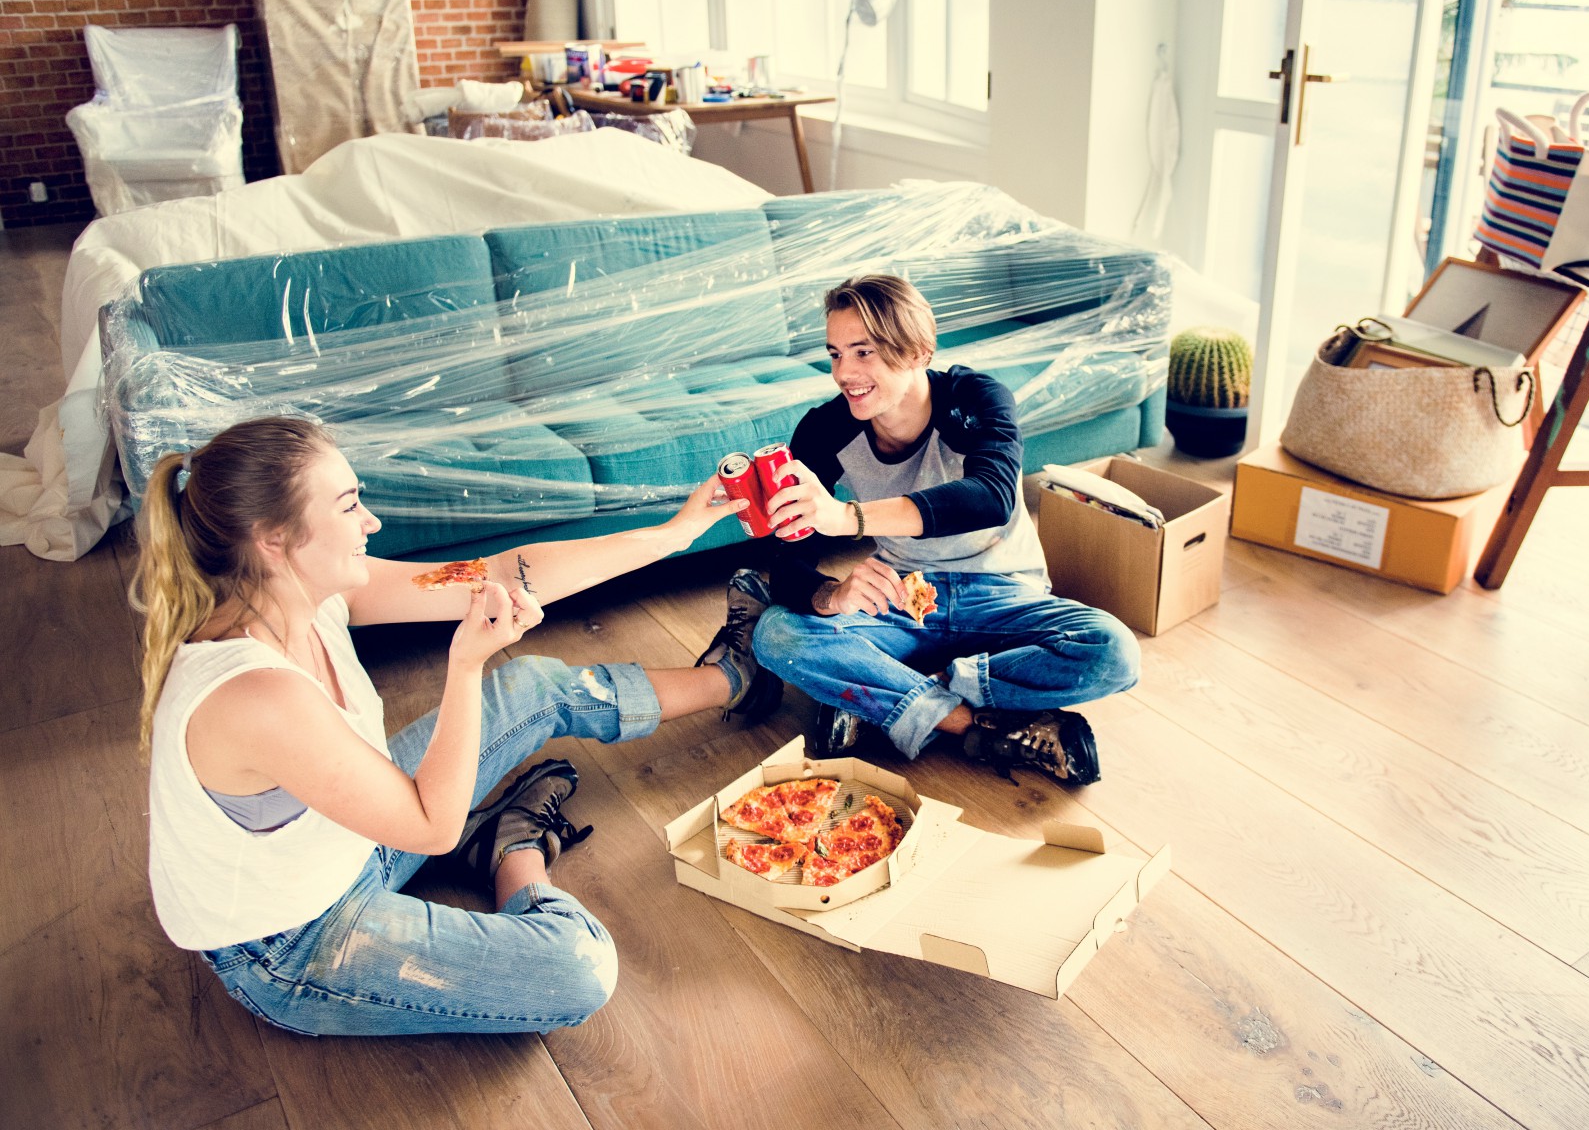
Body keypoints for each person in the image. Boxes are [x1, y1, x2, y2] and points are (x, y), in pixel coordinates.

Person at [133, 415, 773, 1037]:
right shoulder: (254, 694)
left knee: (527, 685)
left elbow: (498, 576)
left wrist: (676, 533)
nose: (372, 522)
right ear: (272, 537)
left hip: (353, 835)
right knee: (577, 967)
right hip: (296, 940)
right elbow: (432, 827)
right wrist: (465, 665)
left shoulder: (313, 593)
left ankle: (734, 677)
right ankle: (510, 847)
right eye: (350, 505)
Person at [745, 274, 1140, 786]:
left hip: (1004, 596)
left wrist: (849, 518)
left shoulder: (975, 398)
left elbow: (991, 496)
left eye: (863, 352)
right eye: (835, 354)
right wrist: (831, 594)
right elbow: (784, 559)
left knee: (1114, 651)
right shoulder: (826, 428)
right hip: (905, 602)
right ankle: (977, 725)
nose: (844, 373)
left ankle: (890, 698)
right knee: (776, 634)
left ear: (917, 352)